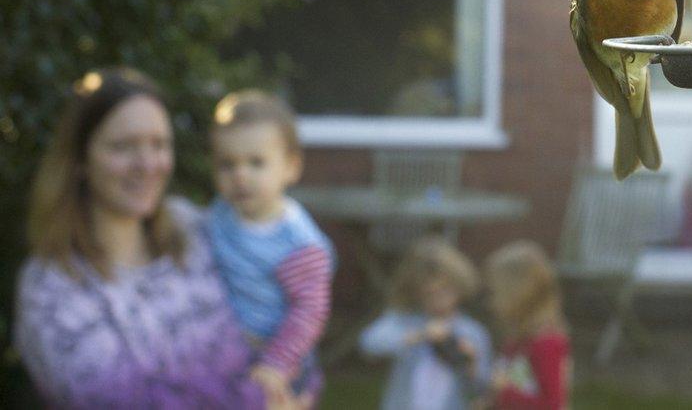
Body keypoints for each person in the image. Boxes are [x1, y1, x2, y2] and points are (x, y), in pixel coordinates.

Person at [14, 67, 307, 409]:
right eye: (124, 147)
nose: (147, 163)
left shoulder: (199, 232)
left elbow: (284, 311)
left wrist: (293, 379)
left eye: (159, 144)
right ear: (80, 159)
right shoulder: (52, 288)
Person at [206, 89, 336, 405]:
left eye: (256, 163)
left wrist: (275, 365)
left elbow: (310, 311)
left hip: (277, 360)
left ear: (290, 168)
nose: (240, 175)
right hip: (229, 356)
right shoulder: (220, 215)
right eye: (227, 164)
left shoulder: (297, 243)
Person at [360, 237, 491, 410]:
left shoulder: (472, 332)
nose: (439, 300)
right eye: (430, 294)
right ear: (417, 293)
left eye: (445, 291)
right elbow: (369, 343)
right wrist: (419, 335)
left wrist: (470, 362)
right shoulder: (405, 320)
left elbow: (483, 387)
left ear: (459, 287)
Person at [484, 241, 572, 410]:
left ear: (518, 294)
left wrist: (503, 392)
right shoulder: (517, 340)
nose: (491, 302)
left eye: (495, 292)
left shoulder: (547, 343)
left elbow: (552, 404)